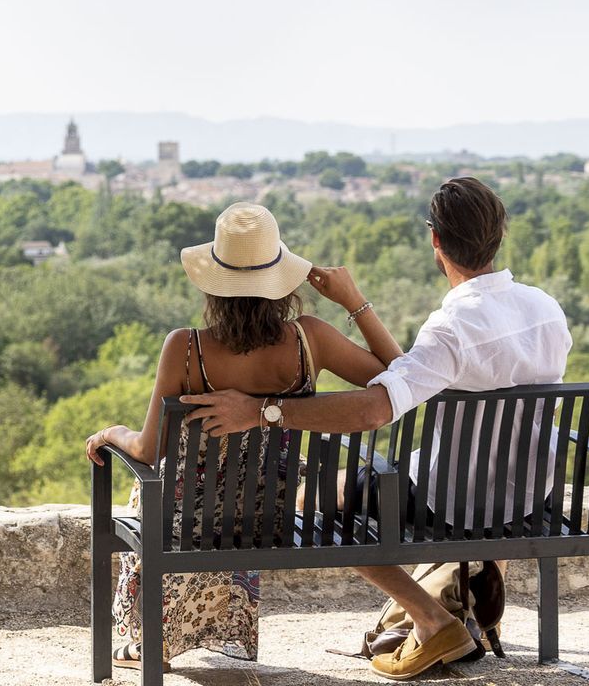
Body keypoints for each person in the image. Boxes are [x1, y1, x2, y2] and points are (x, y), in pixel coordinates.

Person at [188, 177, 573, 681]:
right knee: (415, 476)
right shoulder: (545, 309)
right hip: (530, 493)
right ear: (499, 234)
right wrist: (356, 304)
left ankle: (432, 618)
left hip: (452, 500)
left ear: (435, 240)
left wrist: (263, 411)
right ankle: (479, 567)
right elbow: (407, 372)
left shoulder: (451, 328)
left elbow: (374, 409)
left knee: (315, 498)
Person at [84, 202, 402, 670]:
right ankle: (215, 629)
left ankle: (149, 639)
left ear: (215, 283)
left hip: (183, 526)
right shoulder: (310, 339)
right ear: (280, 283)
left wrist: (114, 433)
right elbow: (400, 376)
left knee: (152, 494)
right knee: (231, 499)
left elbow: (148, 449)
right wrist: (354, 301)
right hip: (264, 519)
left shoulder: (184, 348)